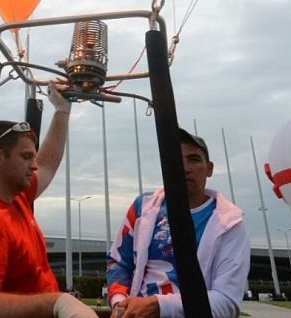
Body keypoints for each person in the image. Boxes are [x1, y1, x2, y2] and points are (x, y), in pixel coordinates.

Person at [0, 85, 93, 318]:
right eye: (26, 156)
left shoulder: (17, 197)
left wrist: (62, 110)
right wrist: (56, 303)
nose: (34, 165)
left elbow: (48, 163)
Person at [106, 128, 251, 318]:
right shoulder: (142, 208)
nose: (184, 167)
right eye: (176, 159)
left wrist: (159, 306)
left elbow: (226, 301)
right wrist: (119, 303)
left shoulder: (231, 224)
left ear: (210, 168)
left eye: (194, 159)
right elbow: (119, 262)